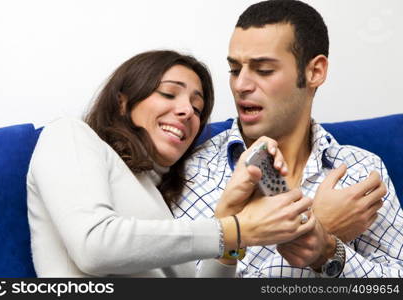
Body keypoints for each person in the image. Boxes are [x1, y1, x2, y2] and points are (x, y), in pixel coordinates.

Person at [26, 50, 316, 277]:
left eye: (197, 108)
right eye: (168, 93)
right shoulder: (70, 135)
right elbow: (93, 245)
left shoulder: (158, 202)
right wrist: (236, 229)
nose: (187, 111)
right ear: (123, 102)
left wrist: (230, 230)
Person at [172, 0, 403, 278]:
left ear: (315, 72)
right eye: (235, 70)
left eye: (264, 70)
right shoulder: (195, 172)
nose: (241, 85)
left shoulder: (360, 170)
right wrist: (316, 227)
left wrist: (331, 252)